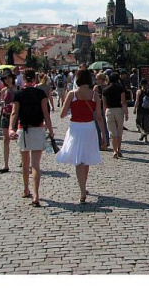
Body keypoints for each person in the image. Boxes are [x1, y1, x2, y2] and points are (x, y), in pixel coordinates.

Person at [56, 69, 105, 204]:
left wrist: (71, 108)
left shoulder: (72, 94)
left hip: (76, 128)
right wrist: (103, 135)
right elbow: (99, 117)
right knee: (86, 157)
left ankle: (82, 189)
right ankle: (84, 186)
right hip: (90, 127)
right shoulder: (95, 95)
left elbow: (62, 114)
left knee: (79, 159)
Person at [9, 68, 55, 207]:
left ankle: (25, 189)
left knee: (25, 163)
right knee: (36, 165)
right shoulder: (40, 93)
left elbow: (14, 112)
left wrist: (11, 128)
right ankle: (36, 194)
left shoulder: (18, 94)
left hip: (23, 129)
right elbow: (46, 113)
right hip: (38, 128)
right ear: (34, 79)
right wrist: (51, 129)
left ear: (23, 79)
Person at [103, 73, 129, 158]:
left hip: (109, 110)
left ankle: (114, 151)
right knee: (119, 131)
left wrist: (105, 112)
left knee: (112, 132)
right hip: (118, 110)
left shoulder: (105, 90)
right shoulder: (120, 89)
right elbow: (123, 101)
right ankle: (119, 150)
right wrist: (126, 113)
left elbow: (104, 104)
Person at [0, 73, 16, 174]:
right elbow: (2, 102)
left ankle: (24, 160)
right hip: (5, 115)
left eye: (9, 78)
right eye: (5, 78)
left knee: (18, 138)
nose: (7, 80)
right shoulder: (3, 91)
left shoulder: (17, 89)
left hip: (16, 116)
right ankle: (6, 164)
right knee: (5, 140)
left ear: (12, 78)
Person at [93, 72, 110, 150]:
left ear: (101, 79)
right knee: (105, 126)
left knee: (97, 127)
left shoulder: (96, 87)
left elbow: (93, 99)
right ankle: (106, 142)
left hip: (97, 108)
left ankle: (99, 143)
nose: (96, 80)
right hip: (106, 108)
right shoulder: (107, 87)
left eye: (97, 79)